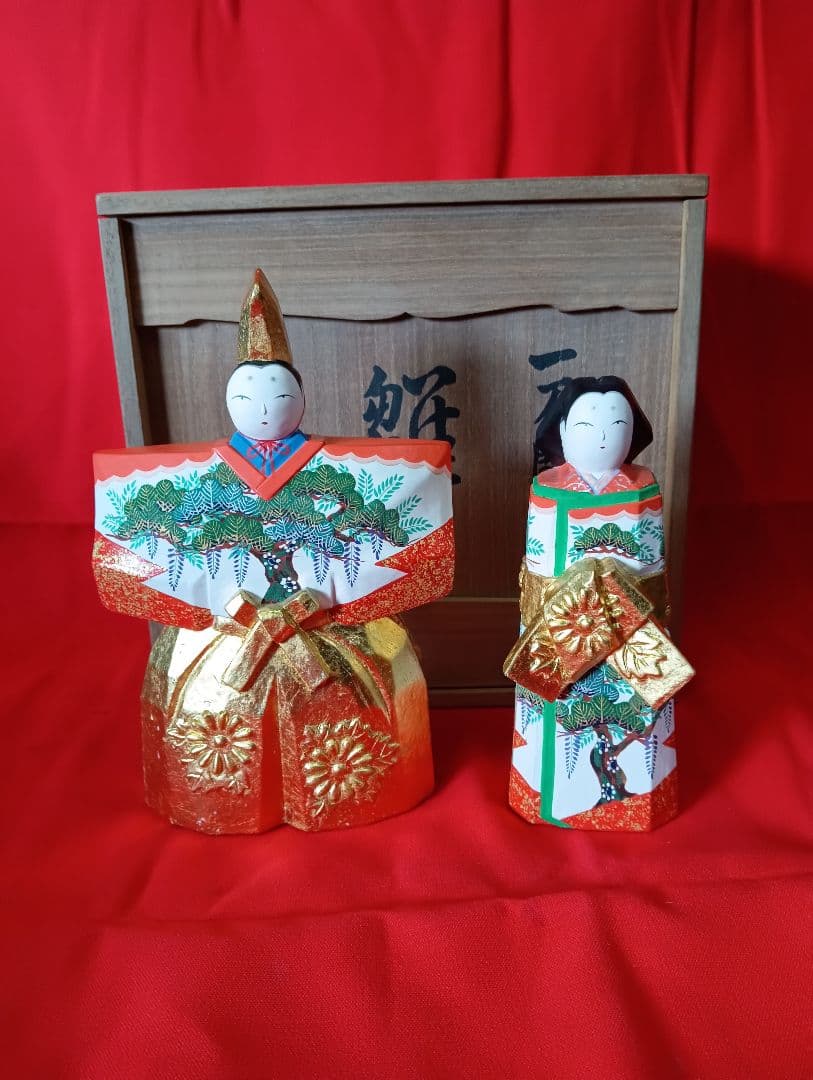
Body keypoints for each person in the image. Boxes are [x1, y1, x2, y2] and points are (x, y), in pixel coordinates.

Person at [93, 270, 454, 834]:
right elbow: (136, 528)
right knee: (212, 708)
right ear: (229, 400)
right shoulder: (200, 476)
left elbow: (406, 501)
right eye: (247, 397)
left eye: (279, 395)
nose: (264, 409)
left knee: (364, 689)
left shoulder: (339, 472)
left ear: (300, 398)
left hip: (326, 623)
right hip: (230, 628)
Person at [506, 376, 689, 831]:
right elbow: (540, 564)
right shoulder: (548, 487)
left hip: (630, 623)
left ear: (634, 432)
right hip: (563, 620)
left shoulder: (642, 486)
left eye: (618, 425)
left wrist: (616, 595)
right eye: (588, 425)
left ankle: (633, 798)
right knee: (557, 704)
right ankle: (550, 798)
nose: (605, 436)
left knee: (634, 703)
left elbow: (650, 566)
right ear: (563, 431)